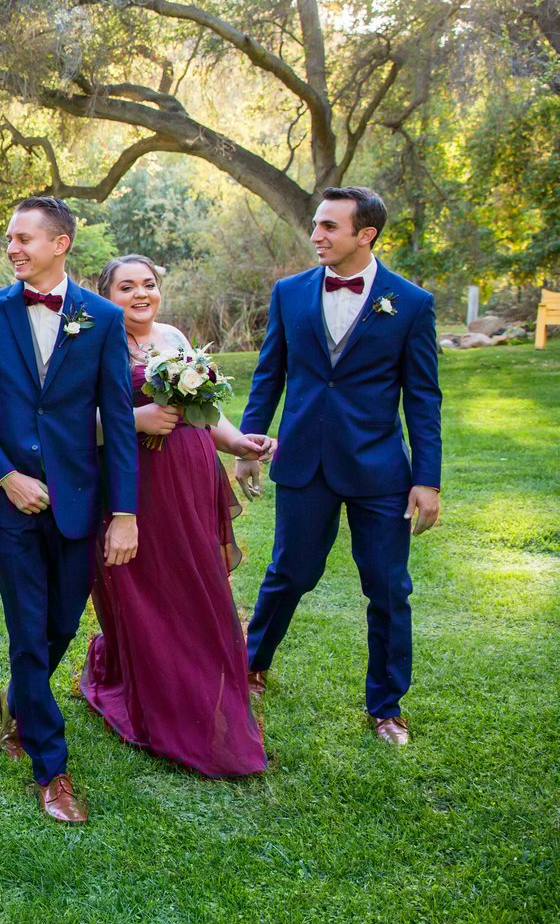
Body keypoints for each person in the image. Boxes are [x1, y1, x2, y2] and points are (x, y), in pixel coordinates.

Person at [0, 196, 139, 824]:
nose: (13, 248)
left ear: (60, 244)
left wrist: (125, 513)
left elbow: (120, 421)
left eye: (24, 238)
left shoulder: (104, 318)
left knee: (61, 625)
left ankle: (20, 701)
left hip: (79, 500)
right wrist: (5, 477)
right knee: (28, 629)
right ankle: (51, 768)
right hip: (10, 506)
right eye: (9, 238)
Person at [236, 187, 442, 744]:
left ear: (365, 234)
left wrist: (426, 479)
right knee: (290, 573)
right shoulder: (290, 293)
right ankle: (250, 666)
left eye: (329, 226)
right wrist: (249, 446)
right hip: (303, 462)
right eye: (316, 224)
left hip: (380, 470)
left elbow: (423, 399)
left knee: (388, 587)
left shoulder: (411, 303)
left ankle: (386, 706)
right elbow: (269, 374)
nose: (316, 235)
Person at [79, 255, 271, 778]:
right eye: (126, 287)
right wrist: (134, 418)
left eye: (148, 284)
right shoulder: (94, 344)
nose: (141, 294)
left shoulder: (174, 337)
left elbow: (206, 413)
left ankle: (205, 686)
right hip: (135, 484)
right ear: (105, 296)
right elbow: (71, 422)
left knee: (197, 582)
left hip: (191, 477)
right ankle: (163, 698)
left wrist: (239, 442)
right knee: (148, 585)